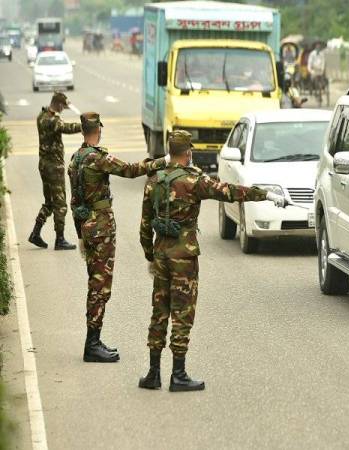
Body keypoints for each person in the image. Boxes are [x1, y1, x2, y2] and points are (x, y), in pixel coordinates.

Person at [138, 130, 288, 392]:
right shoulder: (193, 181)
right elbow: (229, 192)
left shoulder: (154, 180)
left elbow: (144, 225)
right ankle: (178, 375)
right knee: (182, 314)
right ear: (188, 153)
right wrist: (265, 195)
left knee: (159, 311)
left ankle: (152, 373)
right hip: (183, 257)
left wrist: (151, 254)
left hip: (161, 253)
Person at [68, 112, 168, 364]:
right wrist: (161, 161)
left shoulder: (75, 159)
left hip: (87, 227)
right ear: (98, 131)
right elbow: (131, 170)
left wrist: (80, 233)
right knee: (100, 287)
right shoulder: (97, 159)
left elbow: (74, 201)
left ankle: (94, 340)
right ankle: (92, 344)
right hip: (101, 228)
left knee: (95, 283)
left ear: (82, 131)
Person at [29, 92, 82, 251]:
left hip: (44, 165)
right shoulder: (52, 120)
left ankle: (35, 233)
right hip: (53, 166)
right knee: (60, 204)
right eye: (63, 107)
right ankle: (60, 239)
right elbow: (66, 128)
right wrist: (86, 125)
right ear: (59, 104)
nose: (63, 109)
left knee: (49, 202)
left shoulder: (42, 116)